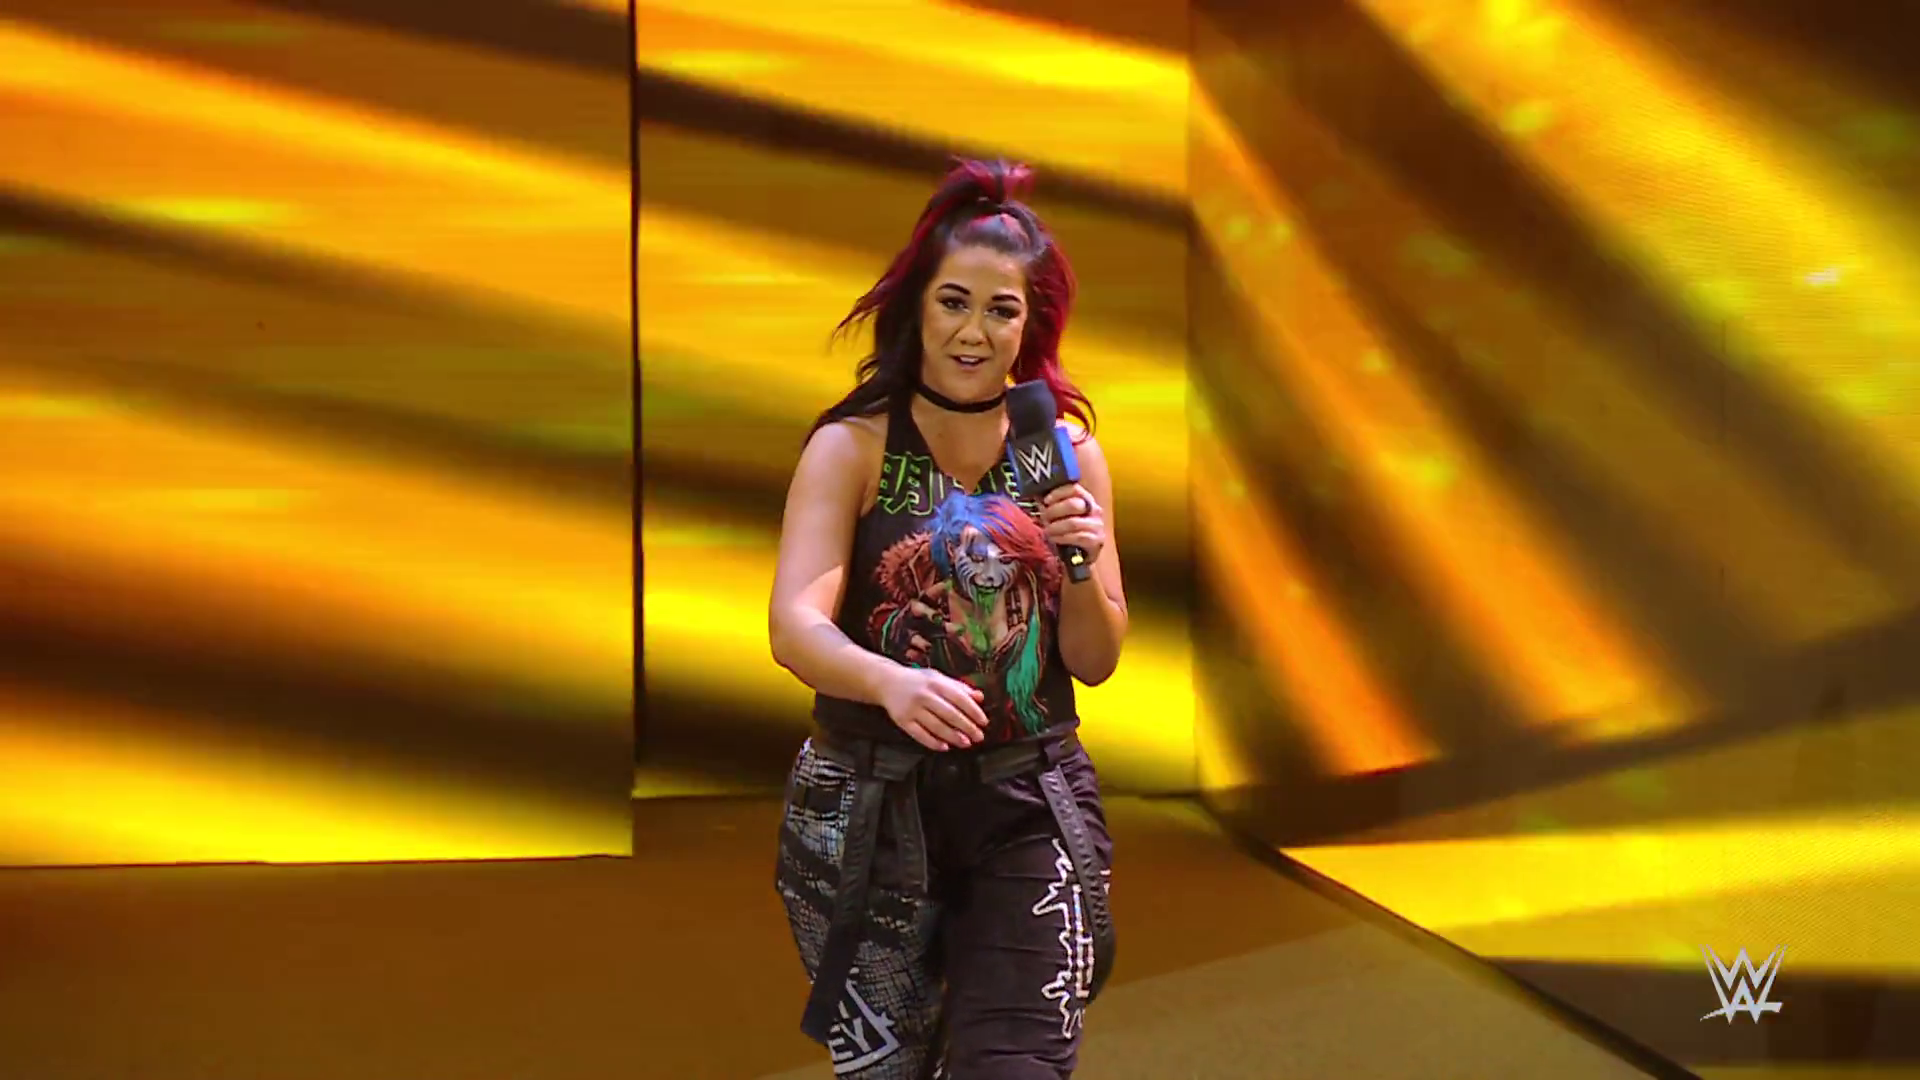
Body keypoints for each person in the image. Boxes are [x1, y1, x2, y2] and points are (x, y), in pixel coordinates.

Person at [767, 157, 1129, 1079]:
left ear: (1030, 324)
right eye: (953, 303)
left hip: (1029, 800)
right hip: (868, 804)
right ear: (917, 308)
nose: (974, 332)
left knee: (1014, 1065)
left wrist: (1080, 560)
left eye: (1001, 310)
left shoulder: (1068, 452)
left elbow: (1095, 661)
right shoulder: (852, 446)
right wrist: (889, 682)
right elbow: (794, 626)